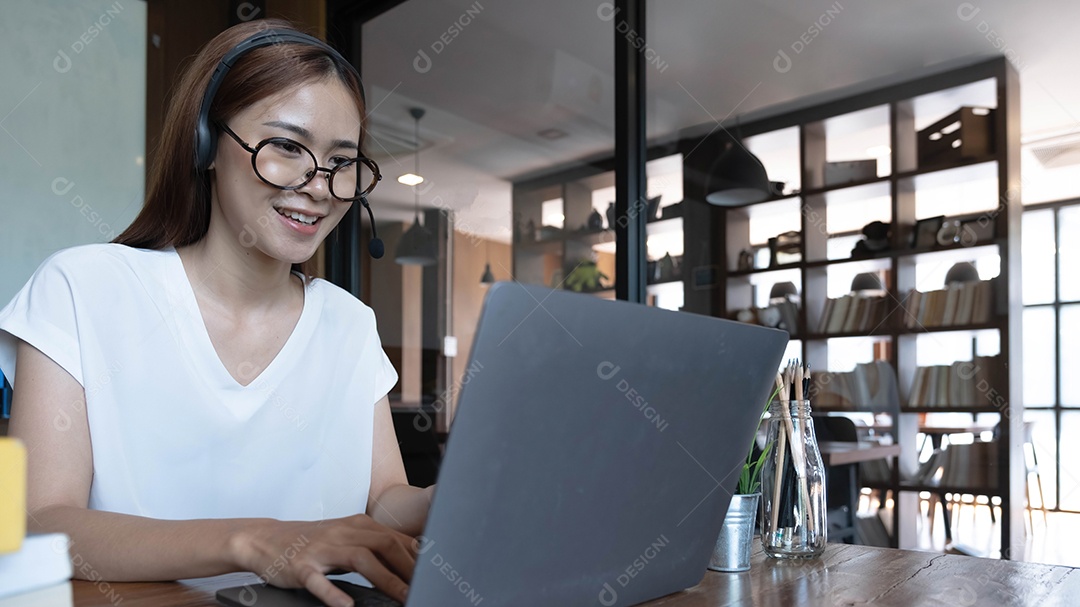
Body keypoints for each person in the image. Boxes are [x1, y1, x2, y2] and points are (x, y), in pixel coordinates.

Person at [0, 19, 426, 607]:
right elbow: (43, 520)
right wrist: (256, 542)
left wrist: (444, 500)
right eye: (286, 146)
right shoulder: (82, 288)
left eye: (341, 161)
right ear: (205, 143)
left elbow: (384, 499)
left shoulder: (349, 323)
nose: (319, 186)